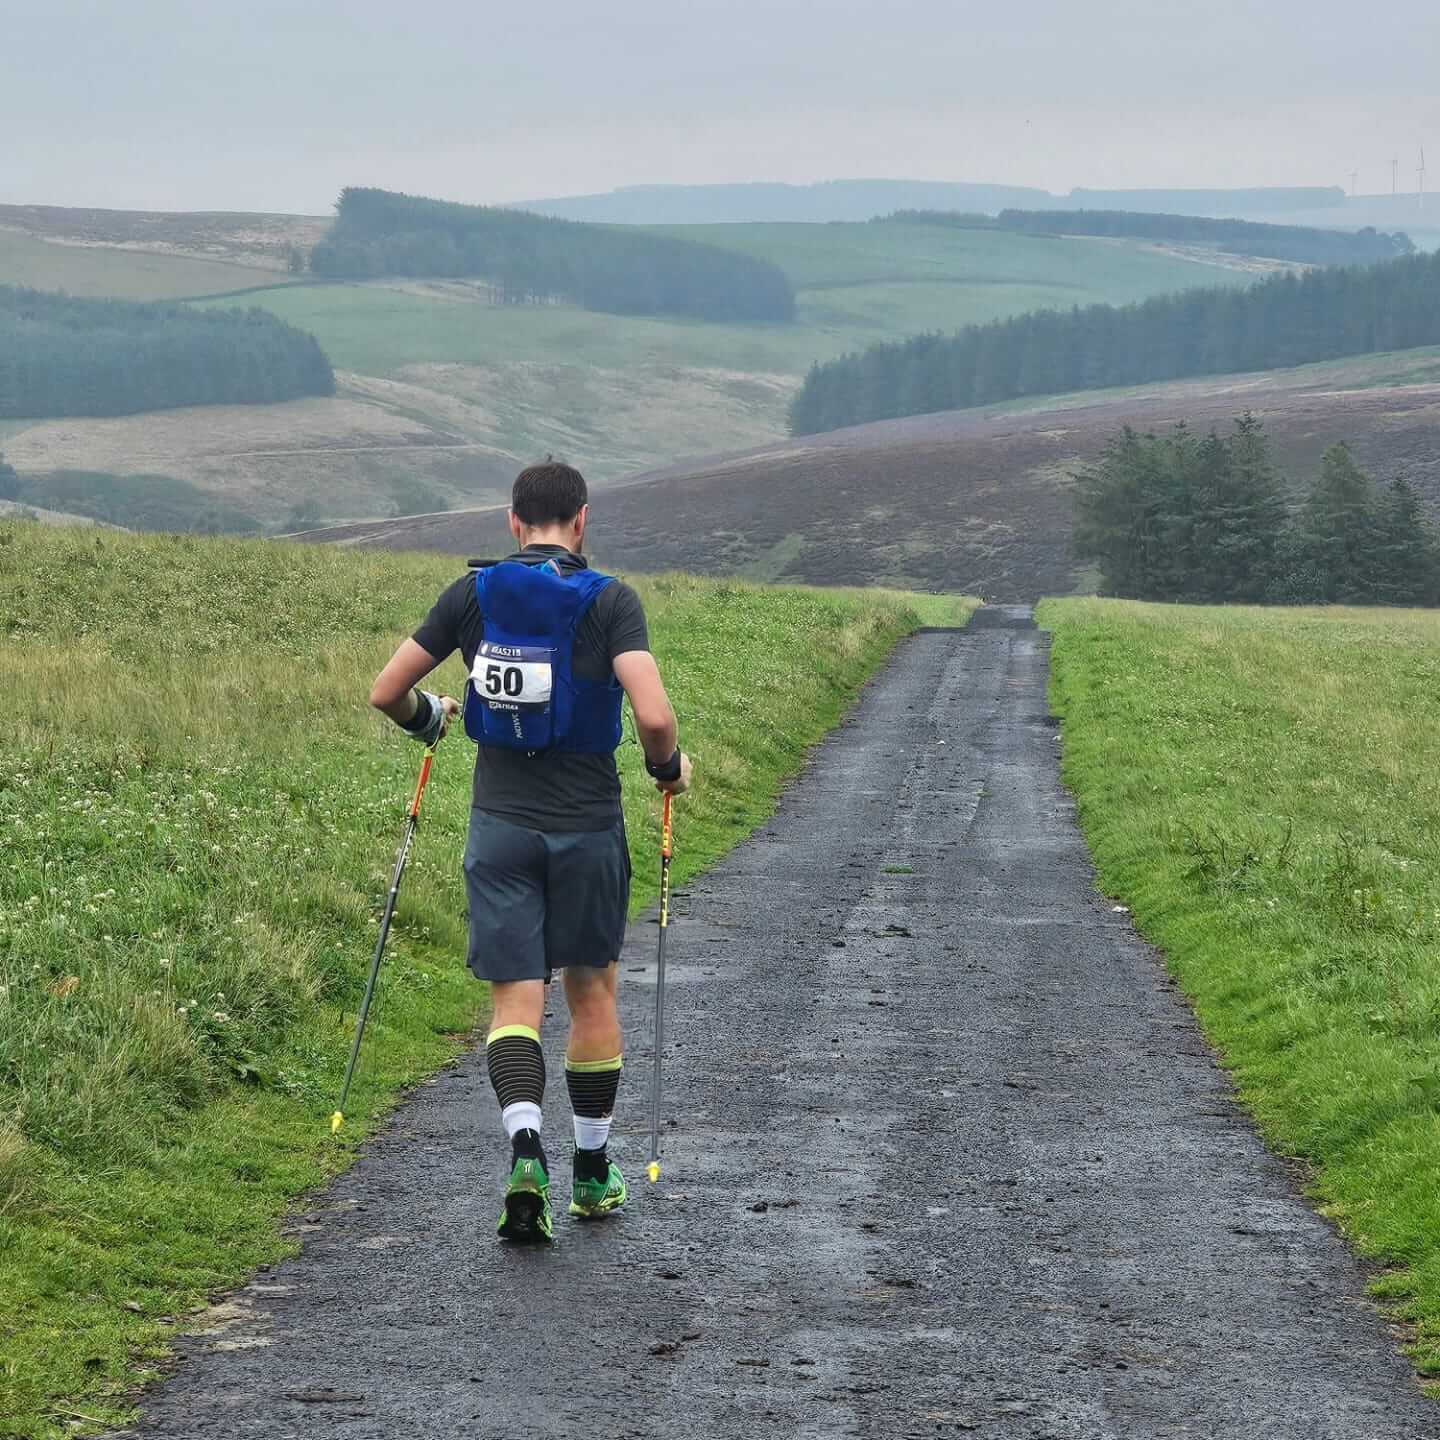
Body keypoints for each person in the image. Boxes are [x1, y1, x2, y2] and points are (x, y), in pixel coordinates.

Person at [369, 460, 692, 1242]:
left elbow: (387, 691)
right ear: (582, 521)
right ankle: (592, 1172)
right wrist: (668, 770)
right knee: (592, 993)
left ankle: (525, 1158)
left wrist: (430, 719)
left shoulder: (472, 594)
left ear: (513, 522)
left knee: (516, 1003)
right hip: (587, 826)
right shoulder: (611, 600)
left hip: (500, 826)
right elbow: (653, 717)